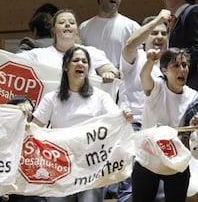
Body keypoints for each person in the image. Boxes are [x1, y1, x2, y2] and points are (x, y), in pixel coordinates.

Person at [30, 46, 132, 202]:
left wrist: (124, 115)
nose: (81, 64)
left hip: (91, 167)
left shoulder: (101, 96)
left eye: (85, 61)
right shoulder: (52, 98)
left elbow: (116, 120)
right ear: (65, 66)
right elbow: (34, 128)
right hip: (60, 166)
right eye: (76, 60)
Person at [132, 47, 198, 201]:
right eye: (176, 66)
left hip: (176, 159)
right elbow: (144, 76)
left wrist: (194, 123)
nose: (182, 70)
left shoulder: (194, 96)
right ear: (163, 70)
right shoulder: (156, 88)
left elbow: (190, 132)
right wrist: (150, 61)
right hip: (148, 159)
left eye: (184, 65)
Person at [118, 10, 171, 202]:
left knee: (161, 192)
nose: (159, 37)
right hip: (134, 127)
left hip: (162, 131)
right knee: (131, 189)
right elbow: (129, 44)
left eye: (163, 33)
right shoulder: (135, 57)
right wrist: (158, 19)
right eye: (154, 32)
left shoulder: (171, 63)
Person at [0, 9, 119, 83]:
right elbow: (11, 61)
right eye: (62, 22)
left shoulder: (90, 52)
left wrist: (110, 73)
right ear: (53, 30)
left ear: (76, 29)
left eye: (71, 22)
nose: (67, 24)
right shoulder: (39, 54)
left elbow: (110, 69)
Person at [79, 0, 140, 68]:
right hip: (93, 81)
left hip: (122, 81)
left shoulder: (132, 27)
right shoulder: (84, 27)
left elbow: (138, 60)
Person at [163, 0, 198, 91]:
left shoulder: (193, 12)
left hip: (193, 81)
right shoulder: (179, 18)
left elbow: (196, 47)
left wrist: (177, 68)